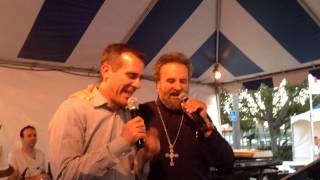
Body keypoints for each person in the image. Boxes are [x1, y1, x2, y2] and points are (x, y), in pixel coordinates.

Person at [48, 43, 159, 180]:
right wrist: (122, 143)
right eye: (131, 76)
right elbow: (65, 175)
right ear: (106, 71)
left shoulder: (130, 114)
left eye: (140, 78)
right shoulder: (73, 110)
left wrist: (145, 157)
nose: (138, 84)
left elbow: (135, 174)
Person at [139, 52, 234, 180]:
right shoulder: (143, 113)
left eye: (183, 81)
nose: (178, 87)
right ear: (158, 84)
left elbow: (226, 164)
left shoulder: (197, 114)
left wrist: (208, 130)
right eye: (171, 80)